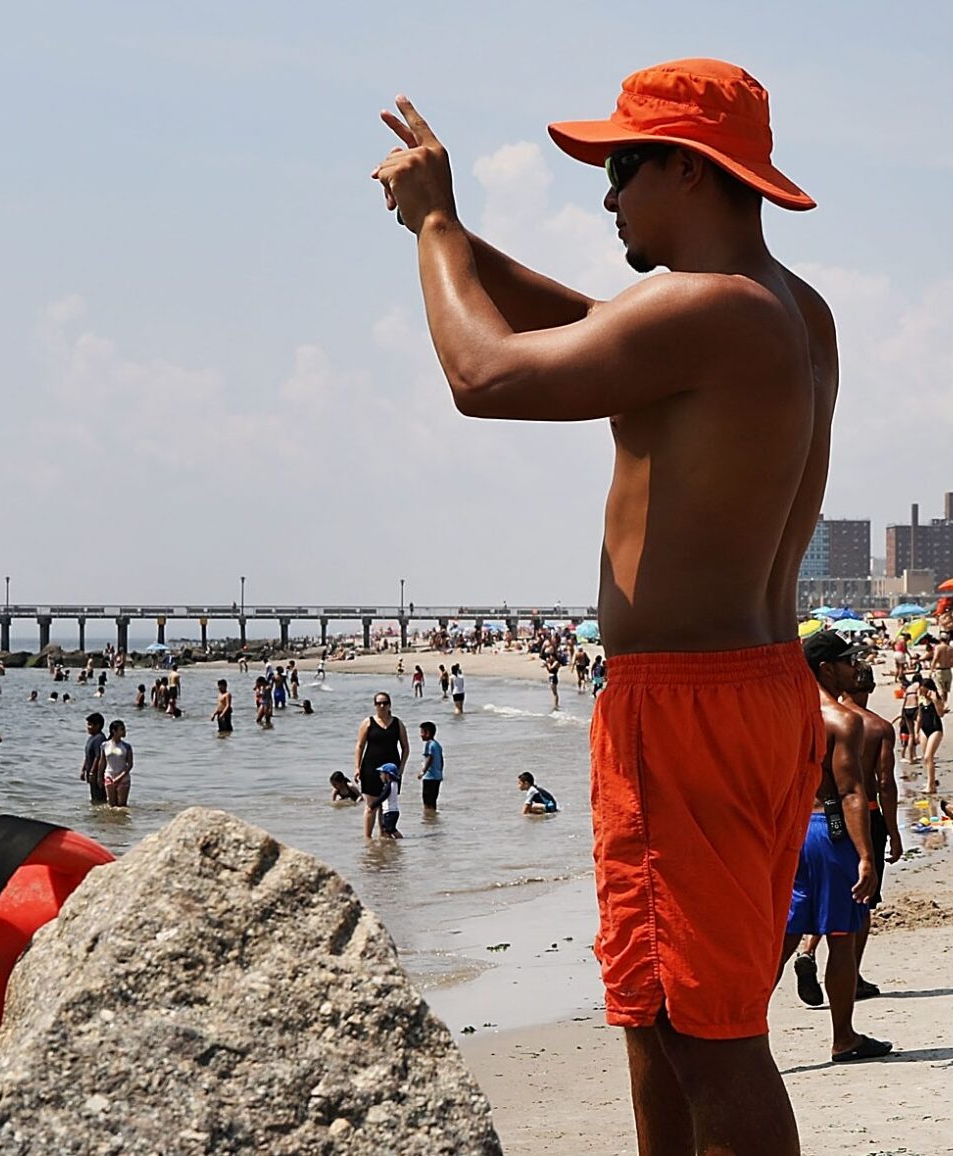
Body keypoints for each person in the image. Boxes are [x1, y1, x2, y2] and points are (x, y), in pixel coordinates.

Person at [374, 58, 834, 1150]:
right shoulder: (781, 308)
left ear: (689, 168)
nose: (606, 193)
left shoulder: (707, 312)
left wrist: (438, 229)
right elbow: (593, 322)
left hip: (689, 706)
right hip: (744, 692)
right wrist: (445, 233)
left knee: (708, 1034)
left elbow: (484, 377)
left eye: (623, 166)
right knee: (658, 1011)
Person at [777, 629, 890, 1061]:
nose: (854, 669)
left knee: (786, 937)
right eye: (847, 662)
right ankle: (844, 1037)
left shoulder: (784, 713)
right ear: (827, 669)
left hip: (793, 831)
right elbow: (850, 793)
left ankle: (742, 1033)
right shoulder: (843, 721)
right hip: (831, 830)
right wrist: (866, 855)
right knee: (843, 934)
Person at [355, 693, 410, 840]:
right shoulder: (368, 722)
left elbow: (405, 747)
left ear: (389, 704)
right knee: (371, 805)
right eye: (378, 703)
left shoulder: (397, 723)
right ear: (374, 705)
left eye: (385, 703)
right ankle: (367, 840)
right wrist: (357, 767)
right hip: (370, 768)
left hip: (391, 771)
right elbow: (360, 746)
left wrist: (401, 767)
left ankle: (383, 835)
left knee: (386, 805)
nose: (382, 706)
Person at [99, 721, 133, 808]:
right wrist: (99, 776)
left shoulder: (126, 746)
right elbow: (102, 762)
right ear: (114, 731)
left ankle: (122, 821)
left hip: (123, 777)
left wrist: (120, 777)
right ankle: (112, 821)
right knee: (111, 806)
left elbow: (130, 765)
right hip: (109, 775)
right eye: (122, 729)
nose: (124, 731)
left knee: (122, 806)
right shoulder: (105, 745)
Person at [76, 713, 108, 804]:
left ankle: (100, 814)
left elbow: (99, 757)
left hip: (98, 774)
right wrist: (83, 770)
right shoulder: (91, 738)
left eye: (90, 724)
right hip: (90, 772)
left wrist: (92, 772)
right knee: (93, 795)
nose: (88, 727)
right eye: (88, 724)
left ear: (98, 726)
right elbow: (88, 756)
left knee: (99, 796)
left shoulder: (99, 738)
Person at [417, 721, 446, 810]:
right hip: (437, 776)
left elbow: (429, 759)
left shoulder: (429, 744)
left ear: (427, 733)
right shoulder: (437, 745)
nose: (420, 735)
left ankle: (428, 816)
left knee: (426, 799)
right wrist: (440, 772)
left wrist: (422, 772)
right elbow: (441, 760)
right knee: (433, 799)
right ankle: (432, 815)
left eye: (422, 732)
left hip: (429, 777)